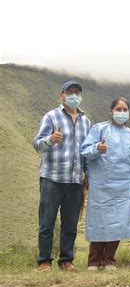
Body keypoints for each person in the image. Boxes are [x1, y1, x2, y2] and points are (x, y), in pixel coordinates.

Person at [32, 80, 91, 272]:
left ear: (81, 97)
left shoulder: (86, 121)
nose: (74, 95)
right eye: (70, 92)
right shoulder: (51, 116)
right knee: (47, 222)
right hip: (52, 178)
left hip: (75, 180)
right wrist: (51, 139)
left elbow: (87, 151)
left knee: (71, 224)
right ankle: (44, 261)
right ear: (62, 95)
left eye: (77, 93)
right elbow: (37, 144)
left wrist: (88, 175)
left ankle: (66, 260)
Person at [80, 97, 130, 271]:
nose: (121, 113)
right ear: (111, 111)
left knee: (118, 223)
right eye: (118, 109)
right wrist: (97, 149)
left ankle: (109, 260)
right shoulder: (99, 129)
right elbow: (85, 151)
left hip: (124, 186)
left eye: (125, 110)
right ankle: (93, 261)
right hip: (101, 186)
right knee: (98, 222)